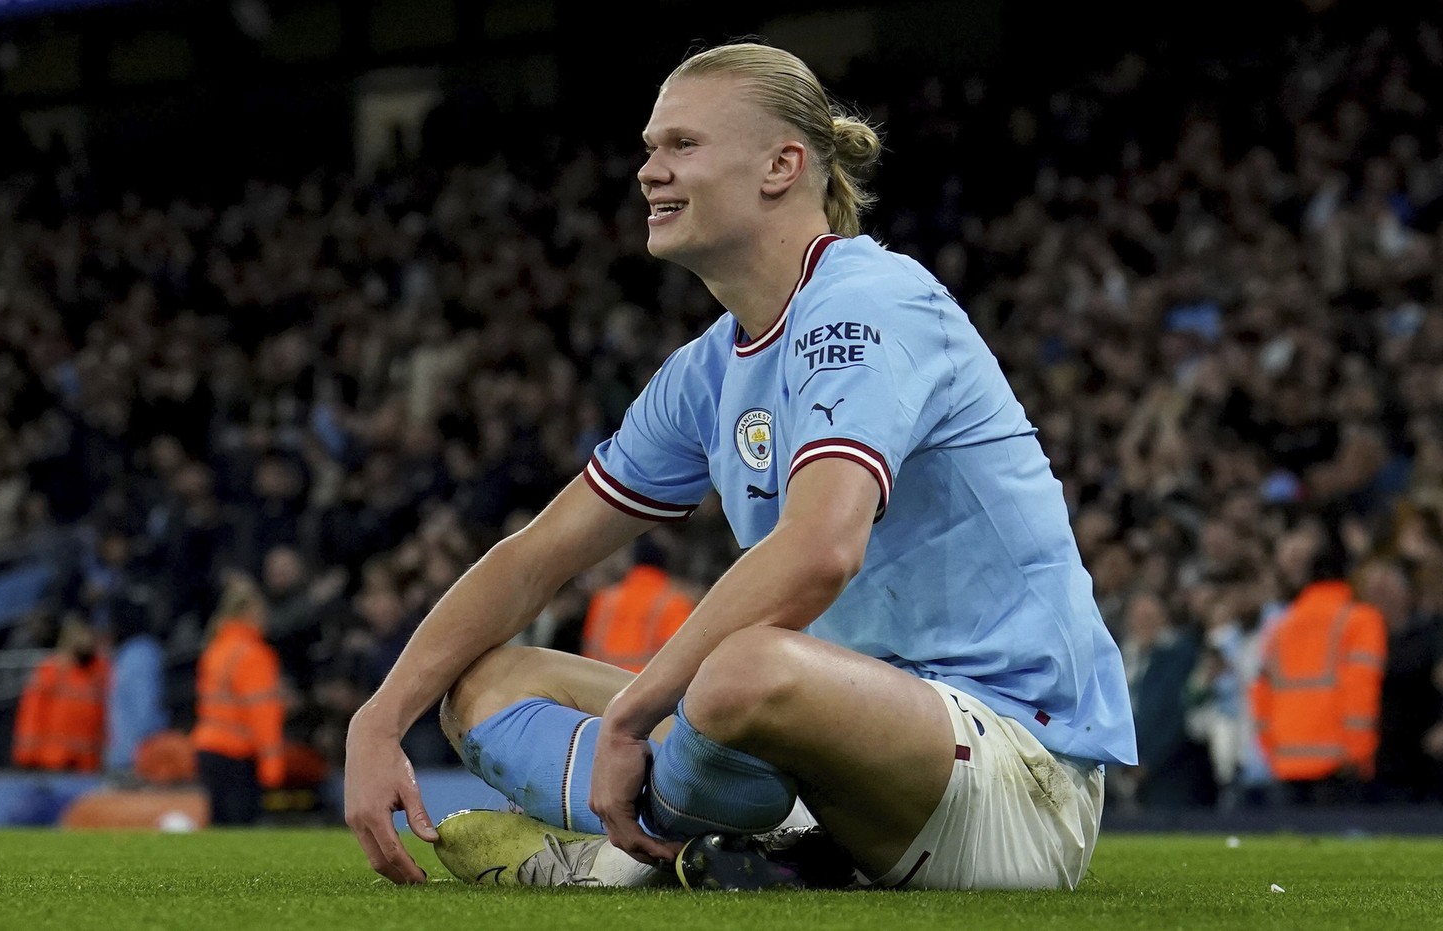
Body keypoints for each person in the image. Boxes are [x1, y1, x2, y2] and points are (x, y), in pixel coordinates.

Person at [343, 39, 1136, 892]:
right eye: (650, 147)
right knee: (486, 680)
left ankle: (619, 861)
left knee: (743, 666)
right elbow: (533, 559)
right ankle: (731, 851)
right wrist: (380, 718)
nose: (649, 170)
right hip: (833, 762)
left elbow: (822, 549)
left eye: (681, 145)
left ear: (781, 165)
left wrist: (634, 715)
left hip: (1015, 773)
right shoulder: (708, 371)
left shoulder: (868, 302)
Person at [1249, 537, 1387, 805]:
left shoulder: (1282, 626)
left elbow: (1261, 693)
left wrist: (1271, 749)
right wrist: (1359, 753)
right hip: (1339, 762)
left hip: (1287, 759)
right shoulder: (1361, 620)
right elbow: (1360, 688)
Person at [191, 572, 287, 825]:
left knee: (220, 831)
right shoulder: (255, 655)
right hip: (238, 756)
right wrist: (272, 764)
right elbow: (262, 713)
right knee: (242, 831)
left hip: (209, 750)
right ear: (249, 613)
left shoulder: (215, 649)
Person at [579, 534, 697, 673]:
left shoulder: (603, 599)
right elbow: (679, 657)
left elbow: (589, 648)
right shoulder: (677, 603)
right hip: (643, 686)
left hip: (597, 680)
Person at [13, 614, 110, 772]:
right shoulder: (52, 670)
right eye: (81, 634)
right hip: (53, 761)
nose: (86, 640)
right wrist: (26, 755)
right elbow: (32, 714)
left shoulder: (99, 671)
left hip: (88, 764)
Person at [103, 592, 169, 776]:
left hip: (138, 759)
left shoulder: (142, 654)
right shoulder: (128, 654)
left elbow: (145, 710)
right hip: (124, 757)